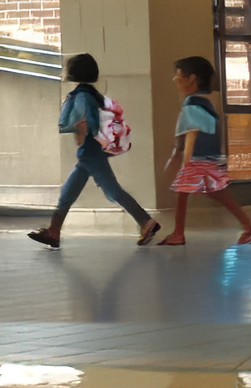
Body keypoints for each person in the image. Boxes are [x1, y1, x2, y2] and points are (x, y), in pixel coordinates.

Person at [27, 52, 160, 249]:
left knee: (112, 190)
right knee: (69, 192)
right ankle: (54, 231)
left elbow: (85, 121)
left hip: (90, 152)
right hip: (91, 153)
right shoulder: (92, 94)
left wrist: (81, 137)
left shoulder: (82, 96)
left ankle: (146, 222)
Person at [159, 55, 251, 246]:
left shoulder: (191, 105)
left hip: (197, 159)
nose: (175, 79)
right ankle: (249, 227)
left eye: (178, 75)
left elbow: (191, 133)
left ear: (192, 79)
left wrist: (185, 162)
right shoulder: (204, 103)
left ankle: (179, 234)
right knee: (217, 193)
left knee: (183, 193)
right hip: (209, 157)